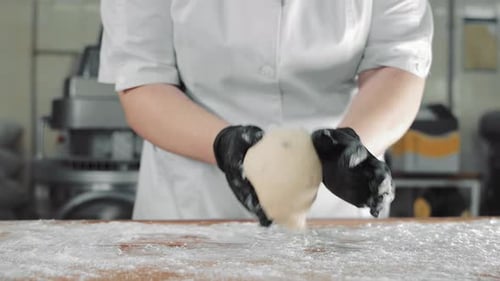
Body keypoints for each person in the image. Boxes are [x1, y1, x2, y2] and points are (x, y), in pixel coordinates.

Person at [99, 0, 433, 225]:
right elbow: (143, 80)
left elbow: (397, 63)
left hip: (335, 208)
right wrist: (224, 145)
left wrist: (354, 144)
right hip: (193, 205)